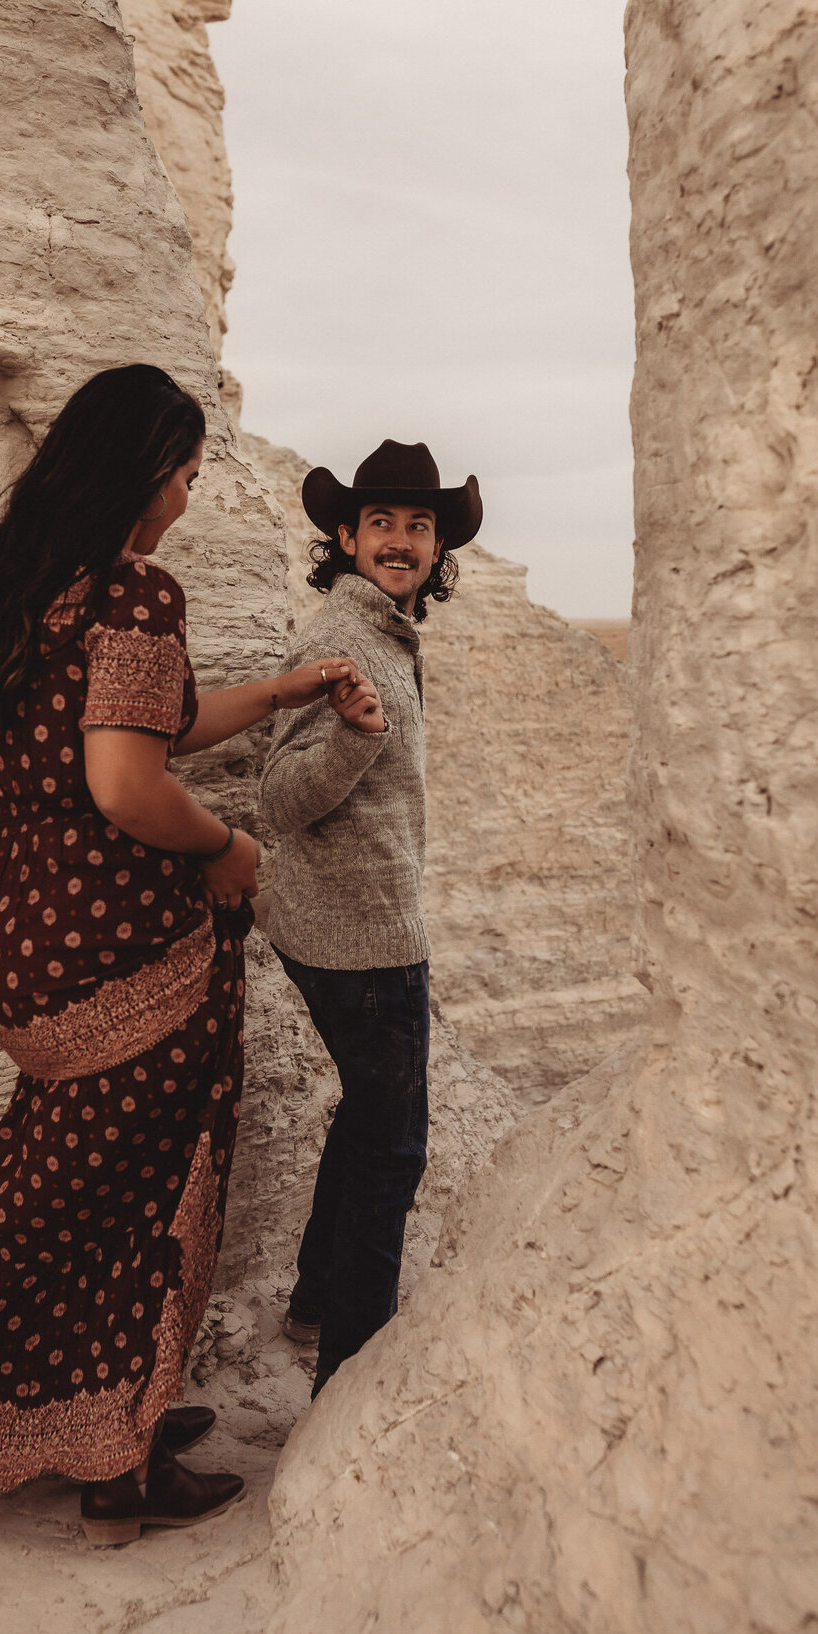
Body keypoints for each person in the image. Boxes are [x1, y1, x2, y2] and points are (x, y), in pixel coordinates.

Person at [0, 364, 358, 1546]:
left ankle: (116, 1412)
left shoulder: (23, 594)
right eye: (191, 475)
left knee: (72, 1178)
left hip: (14, 941)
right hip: (114, 942)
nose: (190, 500)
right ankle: (119, 1471)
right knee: (148, 1194)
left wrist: (279, 690)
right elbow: (126, 779)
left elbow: (143, 722)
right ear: (150, 472)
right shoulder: (135, 593)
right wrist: (229, 851)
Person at [258, 439, 482, 1396]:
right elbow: (278, 799)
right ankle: (347, 1376)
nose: (401, 540)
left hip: (350, 924)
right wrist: (355, 738)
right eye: (381, 523)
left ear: (436, 549)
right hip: (363, 945)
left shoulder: (384, 632)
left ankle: (317, 1294)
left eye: (418, 525)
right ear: (344, 536)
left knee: (367, 1117)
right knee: (395, 1151)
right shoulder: (337, 646)